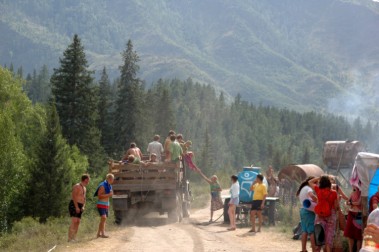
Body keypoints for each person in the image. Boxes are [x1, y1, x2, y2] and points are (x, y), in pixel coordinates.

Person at [309, 175, 339, 252]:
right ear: (329, 183)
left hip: (319, 215)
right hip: (331, 215)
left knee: (318, 239)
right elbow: (336, 207)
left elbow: (310, 182)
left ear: (321, 183)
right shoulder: (334, 193)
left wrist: (319, 177)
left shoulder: (318, 190)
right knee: (328, 241)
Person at [296, 176, 317, 252]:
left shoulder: (303, 188)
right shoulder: (308, 188)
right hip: (308, 211)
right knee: (311, 231)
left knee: (304, 230)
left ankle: (303, 249)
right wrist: (318, 200)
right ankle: (314, 250)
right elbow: (311, 195)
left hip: (302, 210)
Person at [68, 174, 90, 242]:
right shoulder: (77, 186)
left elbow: (84, 198)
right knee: (74, 221)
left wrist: (83, 206)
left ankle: (74, 238)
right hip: (74, 204)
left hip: (80, 205)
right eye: (88, 179)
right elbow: (73, 196)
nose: (89, 181)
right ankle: (69, 238)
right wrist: (77, 207)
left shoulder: (84, 188)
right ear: (86, 179)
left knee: (78, 222)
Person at [94, 173, 114, 238]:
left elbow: (109, 195)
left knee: (103, 219)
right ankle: (103, 234)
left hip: (106, 204)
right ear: (109, 179)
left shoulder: (109, 185)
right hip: (101, 204)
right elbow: (99, 196)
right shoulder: (102, 186)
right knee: (104, 218)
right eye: (112, 179)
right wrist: (109, 195)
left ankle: (98, 234)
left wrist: (109, 195)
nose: (113, 180)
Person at [344, 186, 363, 252]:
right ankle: (350, 250)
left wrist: (351, 203)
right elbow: (347, 202)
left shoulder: (362, 193)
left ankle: (358, 250)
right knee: (350, 235)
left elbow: (359, 203)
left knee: (358, 236)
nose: (353, 186)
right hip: (351, 213)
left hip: (358, 214)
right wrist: (350, 203)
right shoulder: (352, 193)